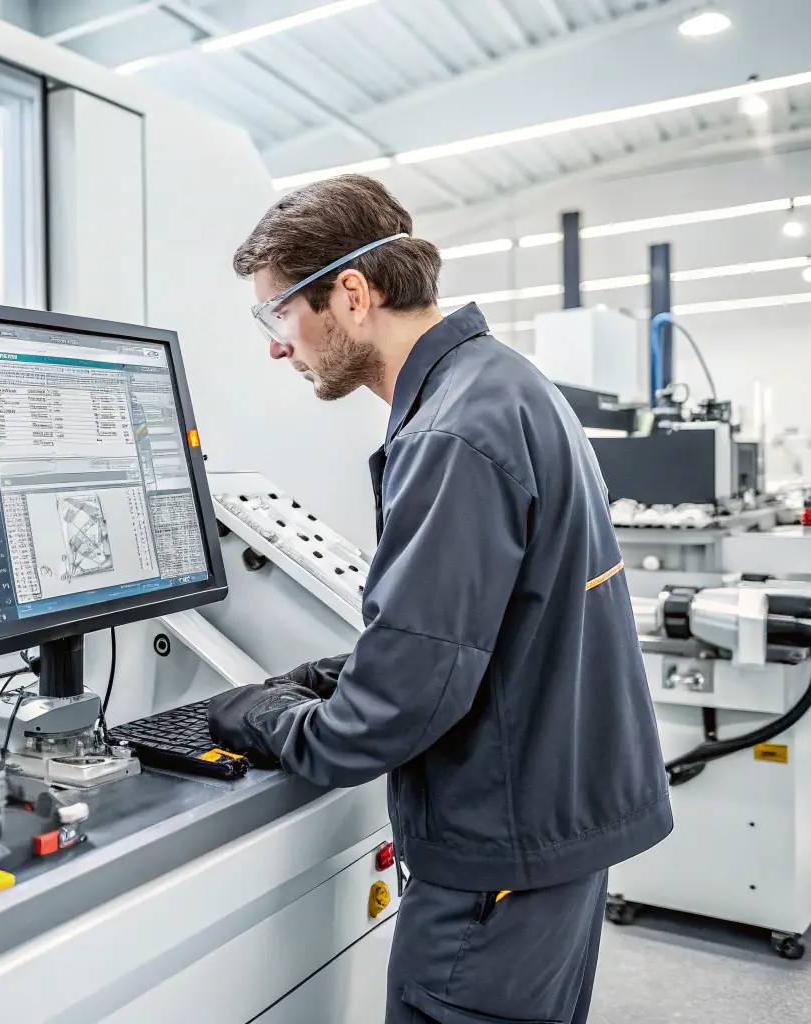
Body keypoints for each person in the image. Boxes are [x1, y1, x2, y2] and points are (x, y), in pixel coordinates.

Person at [208, 174, 672, 1024]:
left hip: (499, 844)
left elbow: (387, 718)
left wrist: (260, 717)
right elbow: (493, 622)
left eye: (277, 313)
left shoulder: (451, 431)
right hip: (550, 815)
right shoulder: (498, 382)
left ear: (350, 293)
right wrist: (333, 672)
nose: (277, 346)